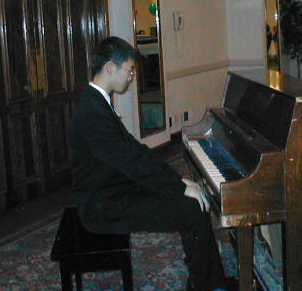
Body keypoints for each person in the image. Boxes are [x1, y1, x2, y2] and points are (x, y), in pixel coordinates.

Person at [68, 36, 236, 291]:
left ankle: (205, 276)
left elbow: (134, 152)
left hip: (113, 187)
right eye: (129, 70)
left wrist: (177, 182)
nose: (131, 77)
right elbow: (133, 160)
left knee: (191, 201)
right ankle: (208, 284)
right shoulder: (93, 111)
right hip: (103, 204)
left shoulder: (95, 100)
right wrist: (179, 186)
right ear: (110, 67)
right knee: (192, 208)